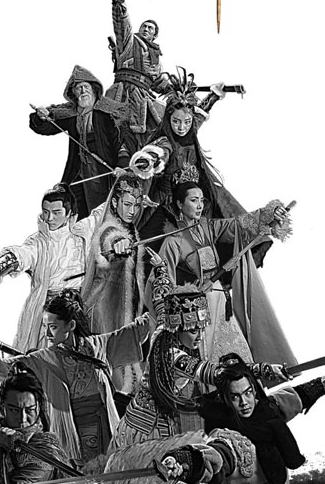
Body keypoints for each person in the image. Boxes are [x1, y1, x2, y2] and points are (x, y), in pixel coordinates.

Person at [0, 289, 151, 467]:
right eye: (46, 326)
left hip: (109, 430)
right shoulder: (42, 359)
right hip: (73, 437)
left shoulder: (100, 346)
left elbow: (139, 329)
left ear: (71, 325)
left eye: (53, 327)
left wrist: (162, 299)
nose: (47, 333)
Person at [109, 264, 287, 453]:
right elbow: (219, 373)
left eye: (202, 330)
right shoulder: (175, 358)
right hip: (147, 432)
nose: (200, 337)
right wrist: (263, 370)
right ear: (178, 328)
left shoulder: (163, 329)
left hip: (138, 419)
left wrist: (161, 270)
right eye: (194, 331)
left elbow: (161, 299)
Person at [145, 180, 297, 367]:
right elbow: (162, 278)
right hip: (198, 305)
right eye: (193, 200)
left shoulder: (208, 227)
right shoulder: (173, 241)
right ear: (179, 204)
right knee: (207, 356)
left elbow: (238, 225)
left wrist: (267, 215)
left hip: (221, 298)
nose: (199, 205)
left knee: (237, 350)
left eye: (201, 200)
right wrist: (185, 297)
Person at [136, 68, 254, 260]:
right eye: (176, 122)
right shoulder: (165, 141)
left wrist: (213, 96)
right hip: (169, 204)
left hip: (196, 199)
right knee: (156, 247)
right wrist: (150, 160)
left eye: (186, 122)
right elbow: (160, 153)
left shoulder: (191, 129)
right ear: (168, 119)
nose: (181, 128)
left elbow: (200, 114)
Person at [0, 183, 104, 352]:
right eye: (46, 212)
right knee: (45, 356)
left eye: (56, 212)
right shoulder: (39, 242)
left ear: (69, 213)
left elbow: (101, 213)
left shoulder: (82, 232)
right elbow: (23, 254)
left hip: (80, 308)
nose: (50, 218)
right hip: (51, 313)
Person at [194, 353, 325, 484]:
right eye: (234, 397)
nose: (244, 402)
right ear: (224, 399)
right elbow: (220, 454)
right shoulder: (222, 430)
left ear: (254, 391)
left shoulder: (267, 410)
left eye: (248, 393)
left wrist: (321, 384)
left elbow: (295, 397)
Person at [29, 65, 127, 219]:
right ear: (73, 93)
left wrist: (121, 165)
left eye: (86, 87)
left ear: (94, 89)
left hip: (103, 171)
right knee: (75, 209)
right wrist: (41, 117)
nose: (82, 91)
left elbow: (121, 142)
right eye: (78, 88)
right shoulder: (72, 113)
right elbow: (49, 127)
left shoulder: (108, 112)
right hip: (78, 170)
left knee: (100, 212)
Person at [82, 174, 146, 394]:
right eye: (127, 204)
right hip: (107, 309)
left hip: (126, 309)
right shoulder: (109, 228)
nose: (132, 211)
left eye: (136, 205)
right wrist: (119, 244)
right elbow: (109, 239)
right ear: (115, 202)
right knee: (112, 368)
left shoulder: (132, 229)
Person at [104, 0, 167, 151]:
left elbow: (158, 83)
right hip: (123, 92)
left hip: (145, 98)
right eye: (144, 26)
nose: (146, 29)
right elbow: (121, 21)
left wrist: (178, 88)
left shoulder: (156, 58)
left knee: (163, 128)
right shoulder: (130, 42)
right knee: (115, 130)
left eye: (150, 28)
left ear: (154, 35)